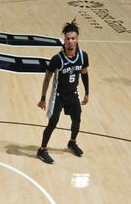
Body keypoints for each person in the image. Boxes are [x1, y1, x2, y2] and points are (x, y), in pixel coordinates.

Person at [35, 19, 90, 164]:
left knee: (77, 120)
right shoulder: (57, 59)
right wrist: (42, 98)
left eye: (73, 38)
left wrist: (87, 93)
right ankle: (42, 150)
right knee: (53, 123)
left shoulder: (83, 56)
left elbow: (84, 73)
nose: (70, 41)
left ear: (77, 39)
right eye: (68, 39)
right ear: (64, 40)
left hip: (73, 93)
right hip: (58, 96)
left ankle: (72, 142)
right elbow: (47, 79)